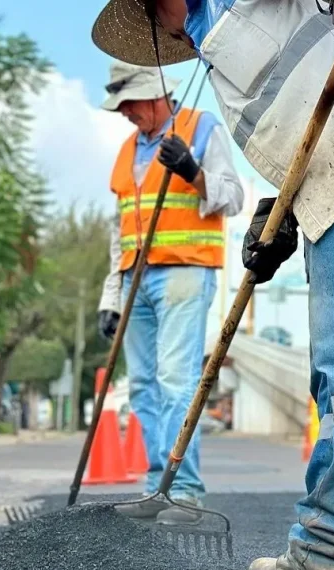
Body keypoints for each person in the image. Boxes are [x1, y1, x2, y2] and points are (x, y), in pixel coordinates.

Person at [91, 1, 334, 569]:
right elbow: (299, 121)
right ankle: (326, 545)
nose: (167, 38)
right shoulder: (215, 47)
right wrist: (281, 216)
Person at [95, 60, 245, 525]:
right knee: (141, 385)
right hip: (134, 278)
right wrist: (110, 295)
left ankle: (183, 490)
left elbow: (234, 197)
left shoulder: (200, 128)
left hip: (184, 273)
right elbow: (120, 231)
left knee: (175, 381)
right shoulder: (126, 151)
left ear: (155, 94)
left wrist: (191, 170)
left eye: (130, 103)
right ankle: (155, 483)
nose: (124, 113)